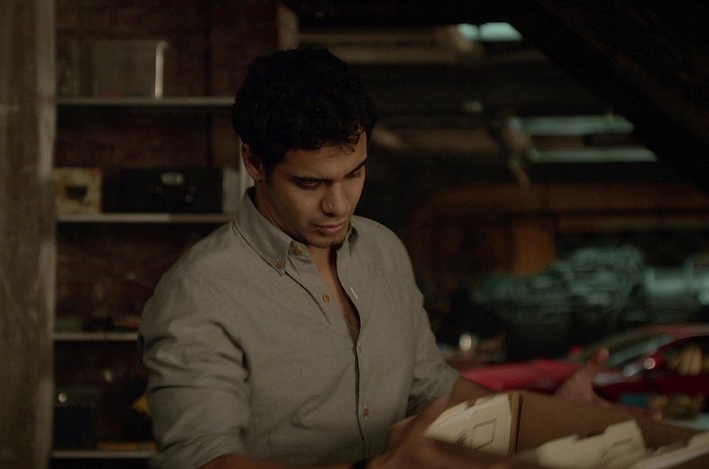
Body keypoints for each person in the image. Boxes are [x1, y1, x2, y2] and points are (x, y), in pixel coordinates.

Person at [138, 46, 617, 469]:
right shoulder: (200, 294)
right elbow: (202, 460)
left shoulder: (383, 251)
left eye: (354, 174)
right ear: (254, 163)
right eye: (310, 183)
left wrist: (547, 420)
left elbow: (431, 386)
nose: (338, 205)